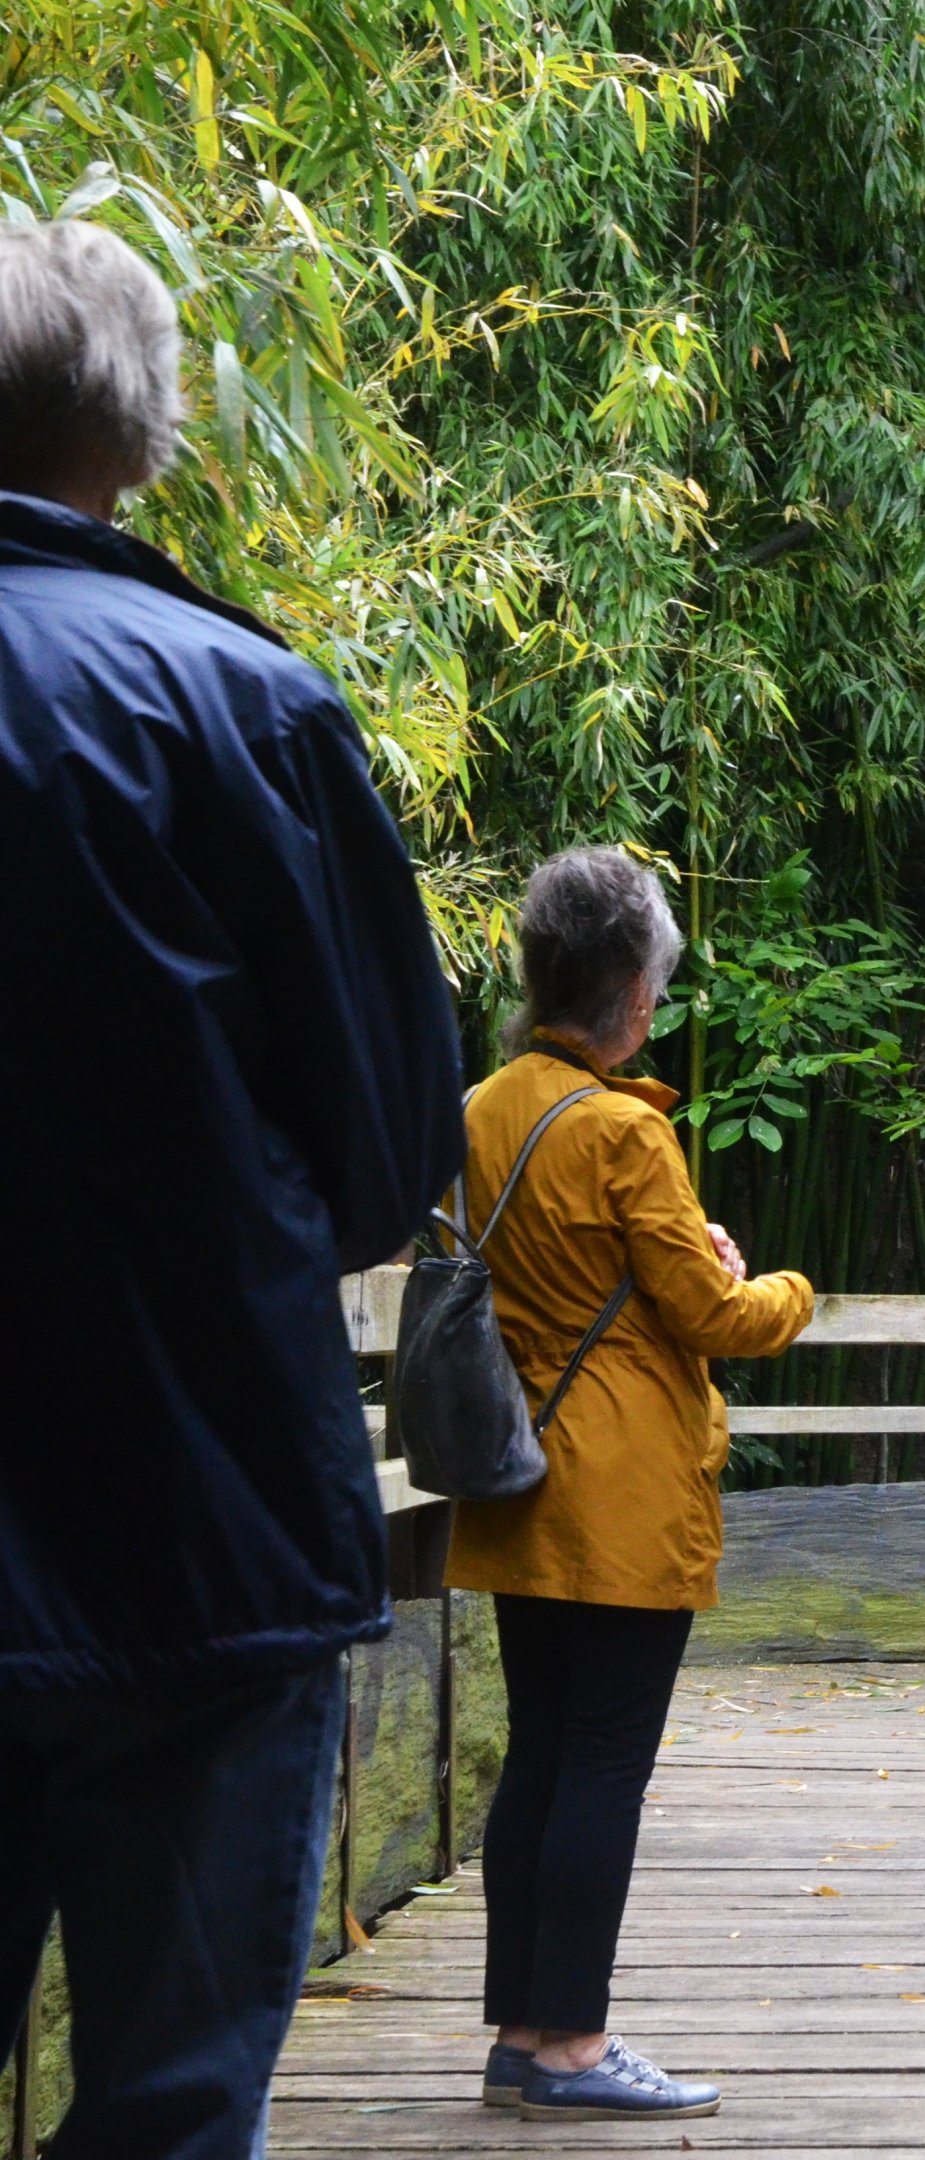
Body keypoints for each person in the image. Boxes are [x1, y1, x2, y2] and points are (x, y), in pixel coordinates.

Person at [0, 220, 470, 2152]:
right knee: (176, 2111)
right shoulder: (243, 711)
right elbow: (389, 1149)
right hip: (199, 1526)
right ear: (148, 427)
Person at [446, 847, 814, 2121]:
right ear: (635, 995)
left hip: (519, 1472)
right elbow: (713, 1315)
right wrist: (787, 1289)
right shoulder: (623, 1129)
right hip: (621, 1493)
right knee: (603, 1766)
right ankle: (574, 2047)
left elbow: (551, 1264)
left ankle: (521, 2034)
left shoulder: (483, 1106)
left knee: (541, 1756)